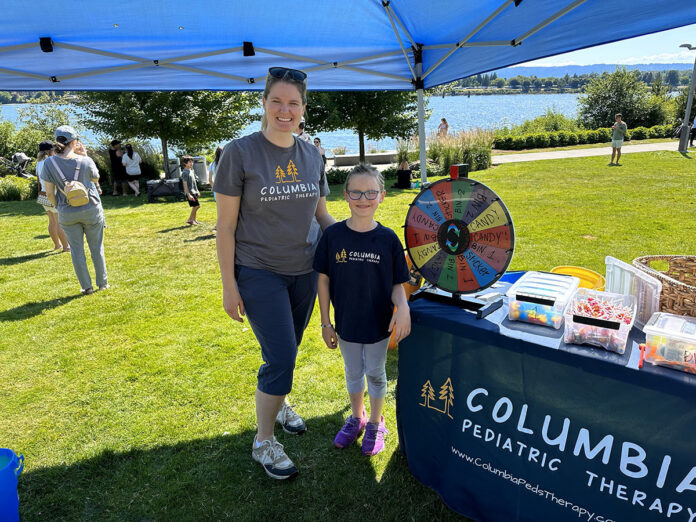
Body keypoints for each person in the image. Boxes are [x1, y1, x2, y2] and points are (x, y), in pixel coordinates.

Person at [214, 66, 334, 480]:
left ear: (303, 108)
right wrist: (229, 286)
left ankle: (279, 402)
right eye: (277, 101)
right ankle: (263, 441)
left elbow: (321, 214)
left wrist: (366, 238)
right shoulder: (239, 153)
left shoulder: (312, 154)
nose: (285, 110)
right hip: (257, 269)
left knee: (287, 350)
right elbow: (225, 226)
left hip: (304, 270)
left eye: (294, 103)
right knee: (281, 356)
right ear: (263, 103)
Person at [314, 163, 411, 456]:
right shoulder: (333, 236)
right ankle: (357, 417)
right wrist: (325, 323)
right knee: (353, 371)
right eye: (356, 192)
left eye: (371, 192)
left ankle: (376, 421)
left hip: (378, 324)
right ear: (345, 196)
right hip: (346, 324)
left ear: (381, 196)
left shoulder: (389, 239)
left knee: (376, 373)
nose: (363, 199)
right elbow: (323, 280)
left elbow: (398, 283)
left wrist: (403, 306)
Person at [41, 125, 108, 295]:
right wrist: (85, 156)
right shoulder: (85, 160)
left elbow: (49, 192)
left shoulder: (48, 163)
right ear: (74, 142)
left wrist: (58, 206)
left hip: (67, 211)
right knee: (96, 248)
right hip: (91, 208)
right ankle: (103, 284)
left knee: (76, 251)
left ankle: (87, 287)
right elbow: (96, 178)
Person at [36, 140, 69, 252]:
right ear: (50, 151)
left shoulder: (38, 163)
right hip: (53, 194)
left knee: (52, 221)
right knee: (59, 222)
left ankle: (57, 245)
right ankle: (66, 247)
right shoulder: (50, 162)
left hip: (43, 195)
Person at [180, 155, 200, 225]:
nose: (191, 163)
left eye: (192, 161)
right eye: (189, 162)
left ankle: (194, 220)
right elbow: (185, 184)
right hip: (190, 193)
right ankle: (190, 219)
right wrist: (188, 194)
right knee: (197, 206)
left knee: (195, 206)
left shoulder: (191, 171)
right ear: (185, 163)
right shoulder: (185, 172)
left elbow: (194, 182)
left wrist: (197, 190)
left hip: (194, 191)